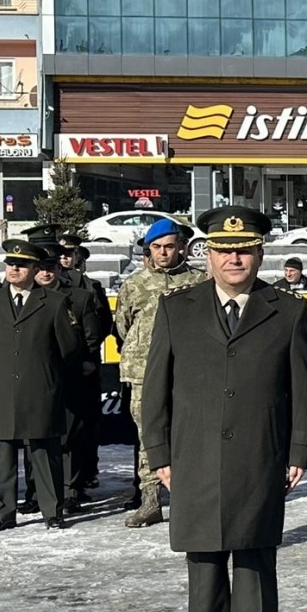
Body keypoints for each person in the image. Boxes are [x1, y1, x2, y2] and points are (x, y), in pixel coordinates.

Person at [141, 206, 307, 612]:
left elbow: (301, 388)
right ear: (209, 254)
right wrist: (159, 454)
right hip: (192, 456)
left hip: (260, 455)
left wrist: (300, 448)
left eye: (244, 249)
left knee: (256, 563)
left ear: (260, 253)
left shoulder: (285, 309)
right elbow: (156, 391)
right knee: (205, 564)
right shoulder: (178, 308)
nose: (234, 257)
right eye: (223, 249)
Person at [0, 240, 80, 532]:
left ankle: (52, 510)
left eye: (21, 265)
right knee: (4, 453)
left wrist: (44, 372)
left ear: (35, 268)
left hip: (41, 388)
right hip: (2, 388)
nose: (14, 269)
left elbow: (68, 348)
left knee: (45, 452)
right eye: (10, 264)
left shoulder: (54, 302)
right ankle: (3, 512)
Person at [114, 219, 208, 525]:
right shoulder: (134, 284)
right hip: (143, 372)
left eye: (169, 246)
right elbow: (123, 326)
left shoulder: (199, 282)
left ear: (181, 247)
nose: (163, 253)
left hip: (188, 370)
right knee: (148, 436)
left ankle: (188, 497)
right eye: (157, 247)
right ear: (149, 250)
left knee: (190, 434)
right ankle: (150, 499)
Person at [31, 243, 109, 513]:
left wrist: (88, 360)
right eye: (40, 268)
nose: (45, 273)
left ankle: (70, 489)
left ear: (59, 269)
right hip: (37, 375)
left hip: (71, 373)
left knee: (71, 434)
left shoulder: (78, 296)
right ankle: (36, 490)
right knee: (37, 433)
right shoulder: (26, 296)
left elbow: (91, 333)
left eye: (51, 268)